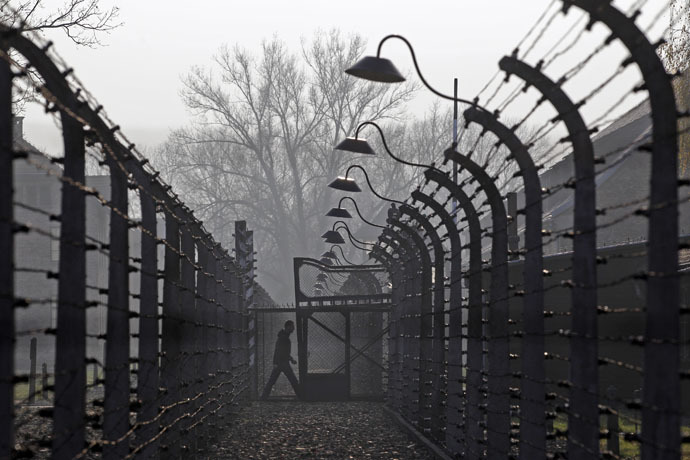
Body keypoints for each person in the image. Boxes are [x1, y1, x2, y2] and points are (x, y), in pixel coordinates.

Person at [261, 320, 301, 399]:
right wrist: (277, 362)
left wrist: (289, 359)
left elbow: (282, 351)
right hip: (282, 363)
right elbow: (279, 351)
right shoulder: (284, 337)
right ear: (288, 327)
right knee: (293, 380)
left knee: (272, 381)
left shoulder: (283, 336)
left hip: (280, 362)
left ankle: (263, 397)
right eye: (292, 326)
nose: (294, 328)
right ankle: (301, 396)